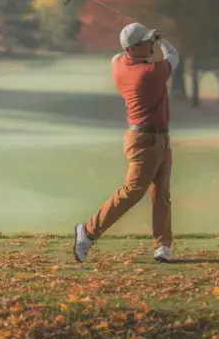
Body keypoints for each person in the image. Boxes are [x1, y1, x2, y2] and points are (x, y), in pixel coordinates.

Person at [74, 22, 179, 264]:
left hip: (159, 137)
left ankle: (162, 245)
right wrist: (162, 40)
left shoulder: (119, 65)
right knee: (132, 192)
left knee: (161, 193)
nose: (151, 44)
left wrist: (145, 37)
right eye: (147, 41)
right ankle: (88, 232)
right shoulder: (150, 74)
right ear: (133, 49)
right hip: (145, 141)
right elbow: (174, 56)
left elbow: (117, 55)